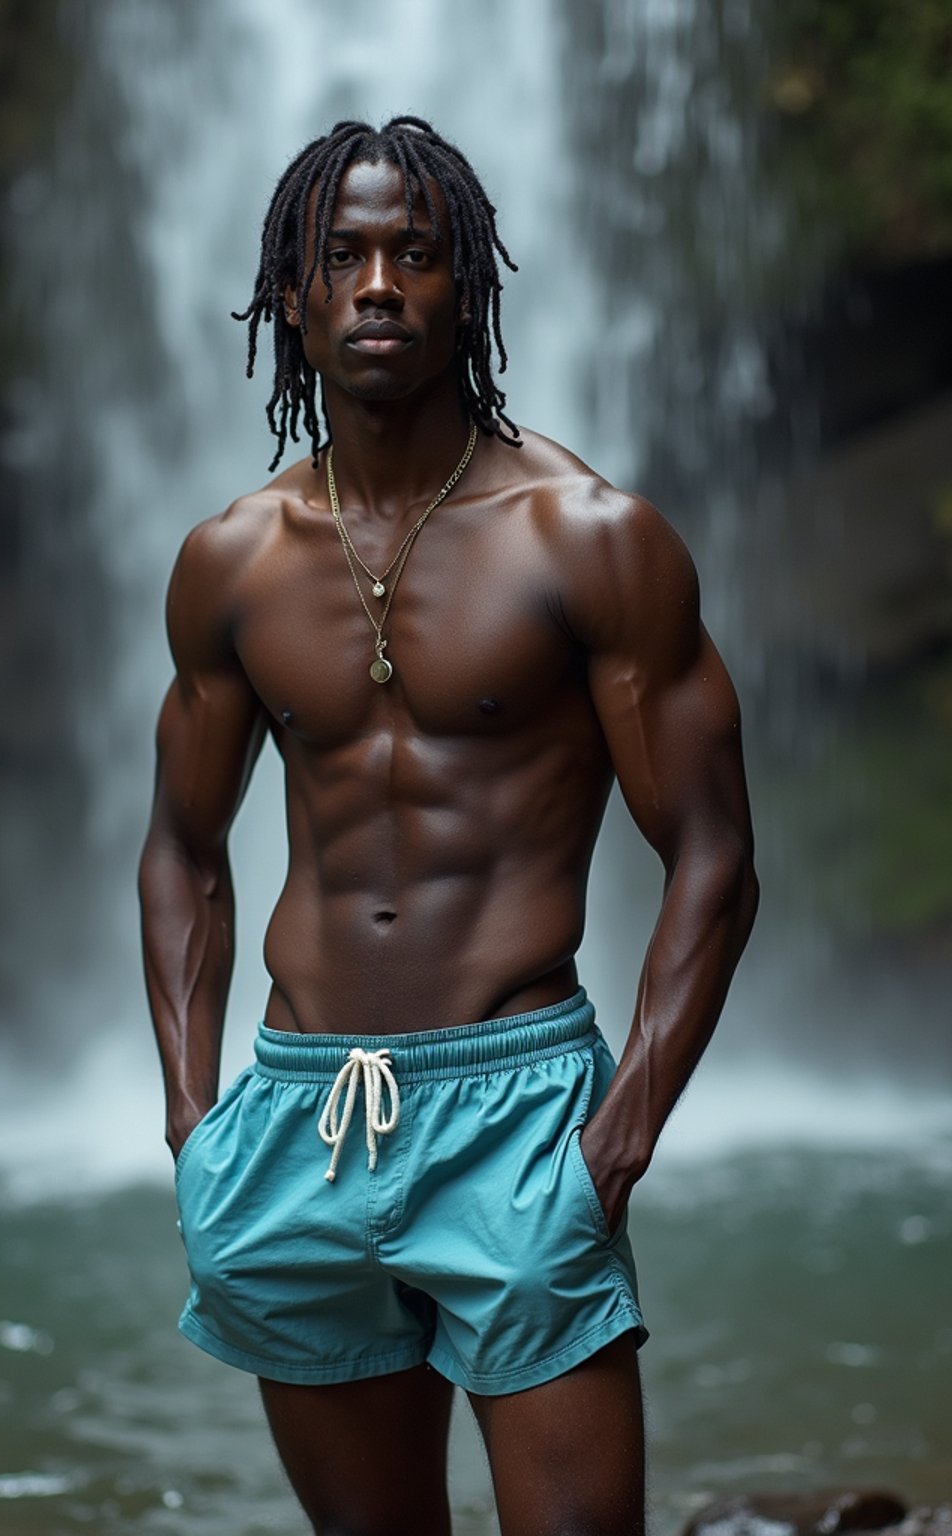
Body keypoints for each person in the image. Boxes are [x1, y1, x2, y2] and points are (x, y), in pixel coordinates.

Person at [139, 115, 758, 1536]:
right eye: (339, 255)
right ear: (289, 293)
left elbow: (716, 860)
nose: (375, 285)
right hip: (294, 1116)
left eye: (414, 255)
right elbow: (182, 849)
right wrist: (192, 1123)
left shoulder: (588, 537)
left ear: (465, 287)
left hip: (524, 1107)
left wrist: (615, 1143)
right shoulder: (230, 560)